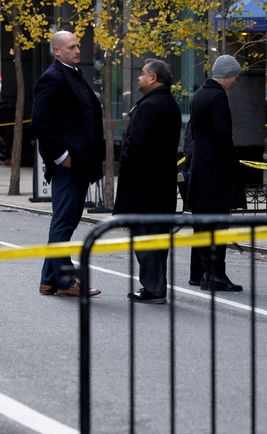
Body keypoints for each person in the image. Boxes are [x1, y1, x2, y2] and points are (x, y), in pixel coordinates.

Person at [32, 31, 103, 298]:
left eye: (78, 46)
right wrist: (62, 156)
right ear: (57, 51)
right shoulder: (52, 77)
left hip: (80, 163)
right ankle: (64, 282)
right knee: (64, 222)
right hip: (68, 165)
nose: (78, 50)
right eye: (71, 47)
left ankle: (49, 280)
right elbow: (41, 122)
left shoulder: (72, 73)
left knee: (66, 220)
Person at [113, 59, 182, 304]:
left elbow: (136, 147)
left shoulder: (151, 106)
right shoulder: (167, 104)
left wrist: (127, 172)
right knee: (156, 239)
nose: (139, 78)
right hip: (159, 186)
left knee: (146, 239)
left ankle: (153, 288)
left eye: (142, 74)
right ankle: (155, 286)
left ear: (153, 78)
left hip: (145, 187)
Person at [187, 54, 246, 292]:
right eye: (235, 77)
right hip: (216, 172)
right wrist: (234, 165)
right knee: (218, 226)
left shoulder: (200, 93)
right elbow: (223, 136)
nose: (235, 81)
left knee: (203, 227)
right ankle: (216, 276)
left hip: (201, 167)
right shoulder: (218, 97)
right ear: (228, 75)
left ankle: (203, 274)